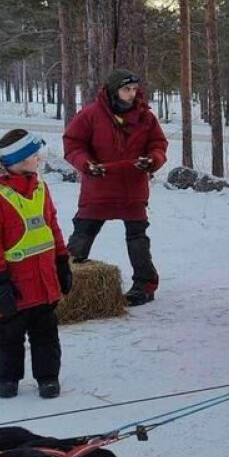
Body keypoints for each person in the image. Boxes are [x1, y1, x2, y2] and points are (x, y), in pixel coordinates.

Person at [0, 129, 72, 399]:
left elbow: (52, 225)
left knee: (46, 333)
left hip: (43, 279)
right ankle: (7, 379)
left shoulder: (40, 187)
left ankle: (48, 377)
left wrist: (63, 260)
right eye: (33, 156)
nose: (39, 159)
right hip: (14, 283)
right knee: (9, 336)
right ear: (19, 161)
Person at [63, 69, 168, 306]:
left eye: (133, 89)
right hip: (98, 187)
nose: (131, 94)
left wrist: (152, 160)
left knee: (138, 239)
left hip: (133, 188)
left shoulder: (146, 117)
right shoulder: (90, 115)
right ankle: (63, 283)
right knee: (82, 234)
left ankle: (145, 286)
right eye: (126, 89)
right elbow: (73, 144)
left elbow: (158, 145)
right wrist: (86, 164)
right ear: (113, 91)